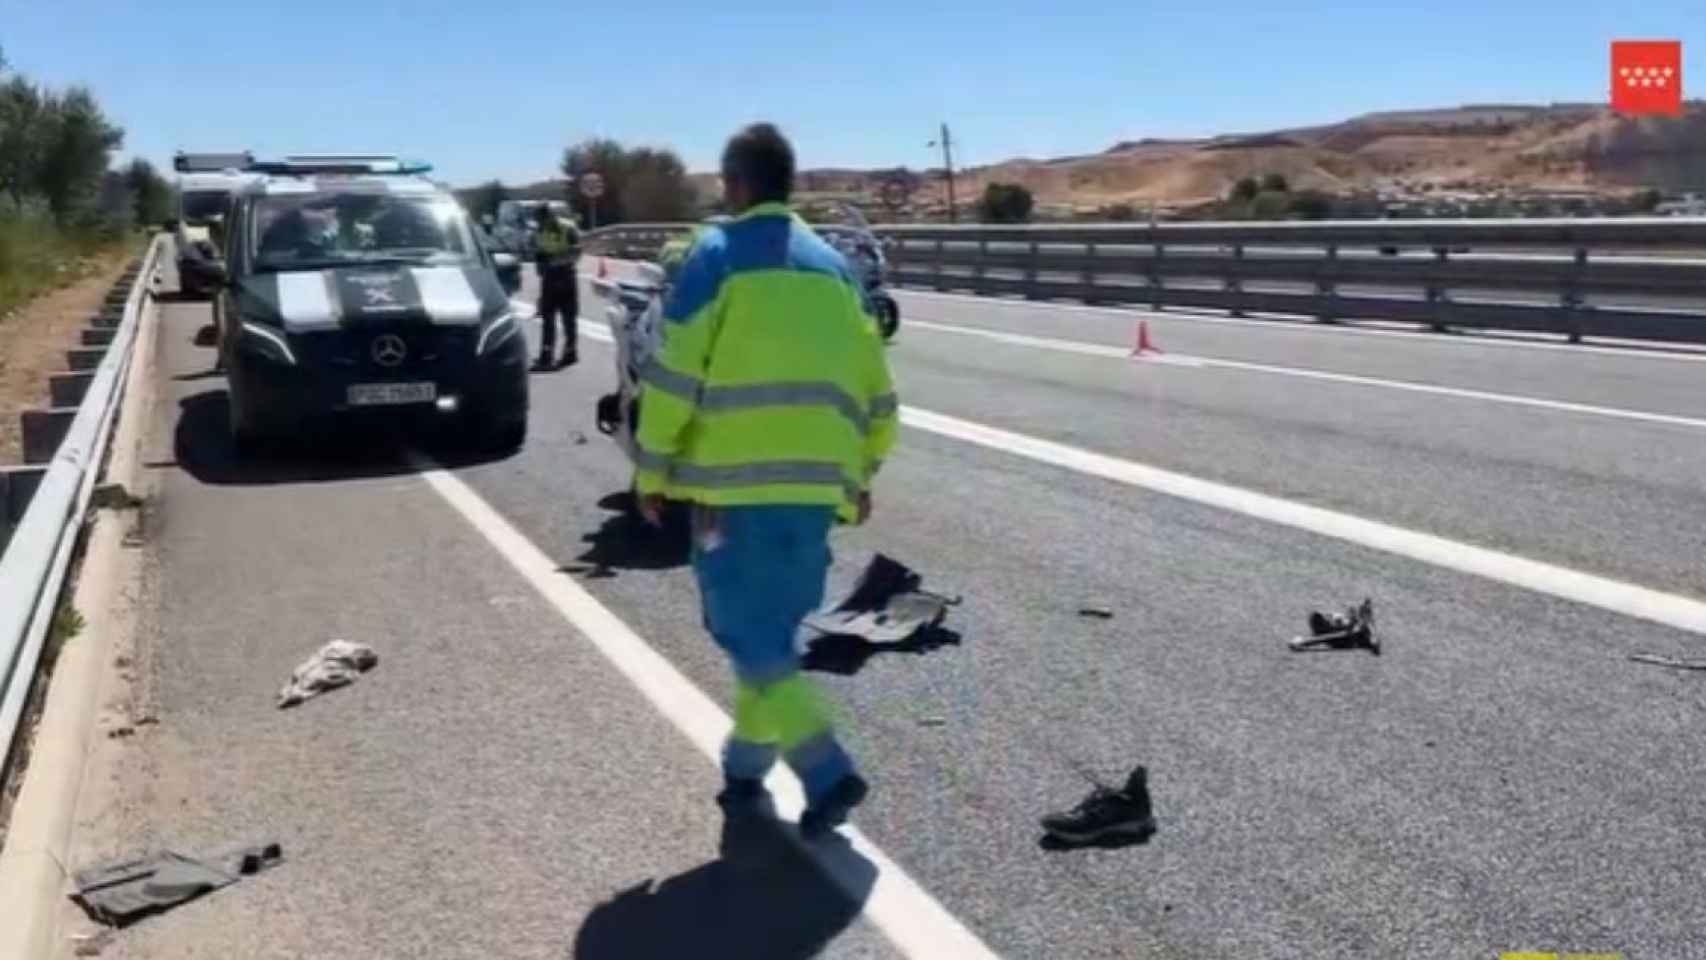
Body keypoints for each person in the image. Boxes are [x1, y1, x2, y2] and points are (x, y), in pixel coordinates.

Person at [634, 123, 897, 837]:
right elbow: (876, 389)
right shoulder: (836, 269)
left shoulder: (712, 257)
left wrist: (651, 468)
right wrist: (863, 469)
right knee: (769, 640)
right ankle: (742, 773)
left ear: (735, 185)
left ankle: (826, 771)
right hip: (813, 495)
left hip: (730, 494)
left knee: (745, 635)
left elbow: (674, 374)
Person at [533, 205, 581, 371]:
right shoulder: (539, 231)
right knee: (547, 318)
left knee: (568, 317)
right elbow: (539, 253)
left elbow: (577, 251)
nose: (541, 223)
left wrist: (557, 260)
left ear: (551, 216)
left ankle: (570, 352)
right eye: (539, 220)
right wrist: (540, 266)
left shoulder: (568, 227)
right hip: (549, 278)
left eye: (544, 219)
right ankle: (546, 355)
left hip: (566, 275)